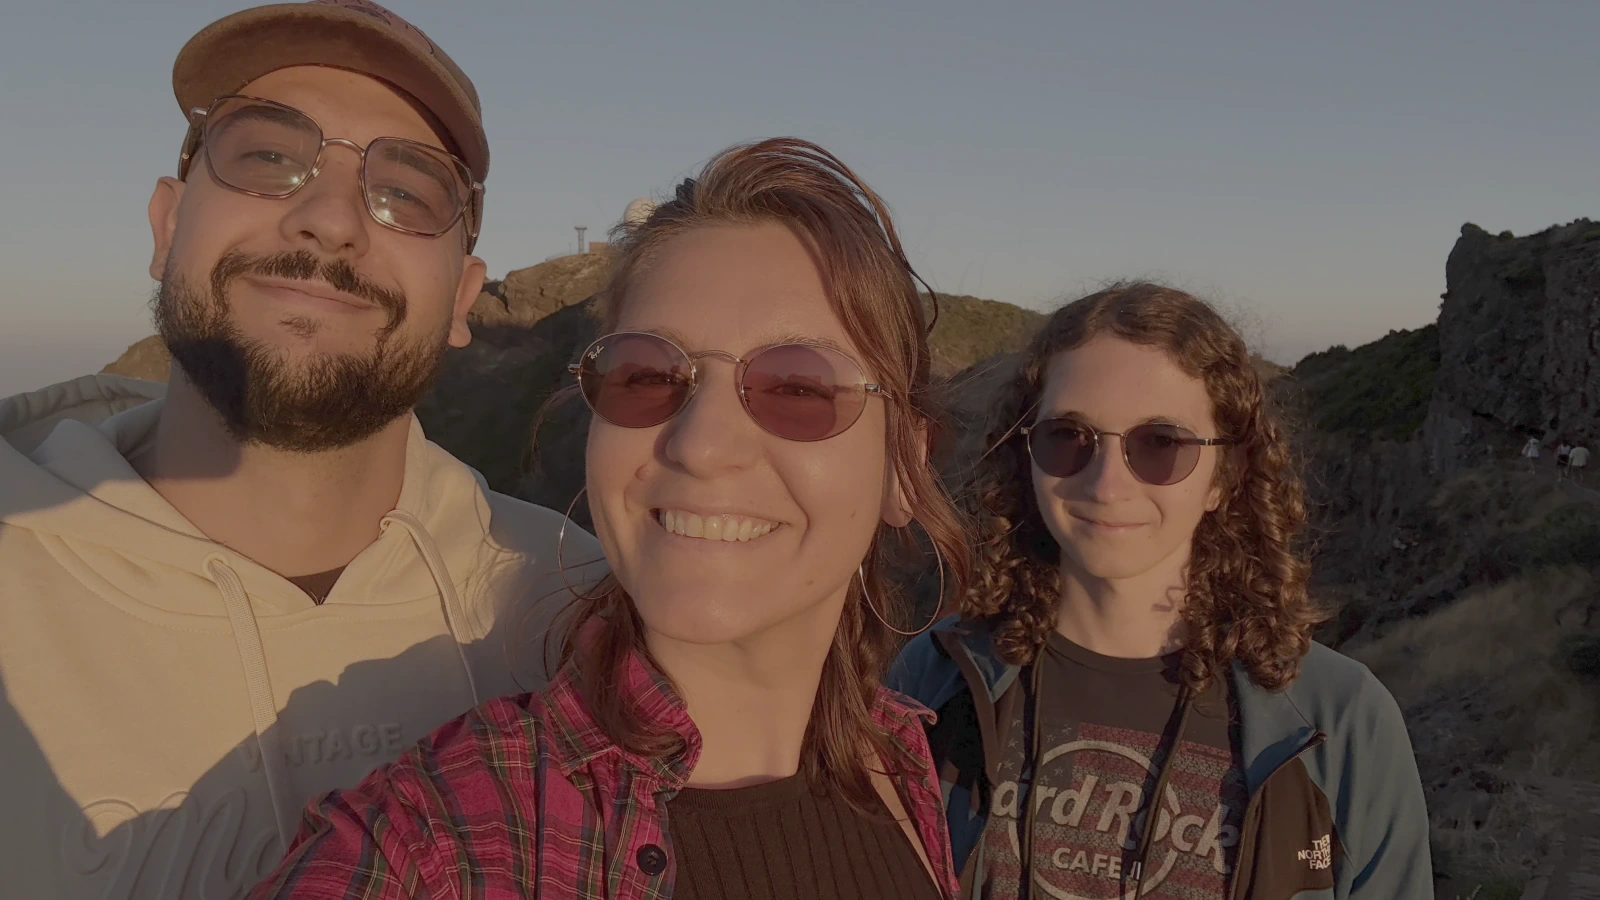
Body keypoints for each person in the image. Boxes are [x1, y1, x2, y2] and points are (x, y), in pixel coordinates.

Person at [246, 138, 972, 900]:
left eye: (799, 386)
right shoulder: (434, 842)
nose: (702, 444)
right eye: (648, 375)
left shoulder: (902, 759)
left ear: (905, 466)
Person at [0, 2, 600, 897]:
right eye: (266, 157)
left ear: (464, 296)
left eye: (410, 190)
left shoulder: (578, 612)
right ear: (166, 229)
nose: (331, 218)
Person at [888, 283, 1432, 899]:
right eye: (1068, 437)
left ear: (1225, 477)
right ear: (1026, 455)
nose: (1107, 483)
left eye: (1161, 444)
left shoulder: (1338, 722)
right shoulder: (932, 682)